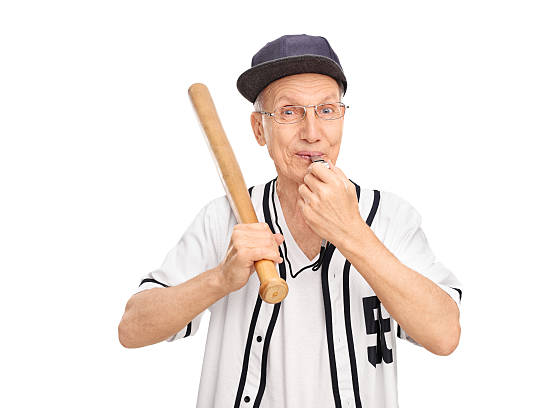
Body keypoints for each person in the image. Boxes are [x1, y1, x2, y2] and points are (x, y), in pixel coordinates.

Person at [118, 34, 463, 408]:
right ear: (258, 129)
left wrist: (353, 234)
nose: (312, 133)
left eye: (327, 110)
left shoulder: (391, 217)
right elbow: (132, 328)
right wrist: (219, 279)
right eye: (288, 112)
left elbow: (444, 335)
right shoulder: (224, 218)